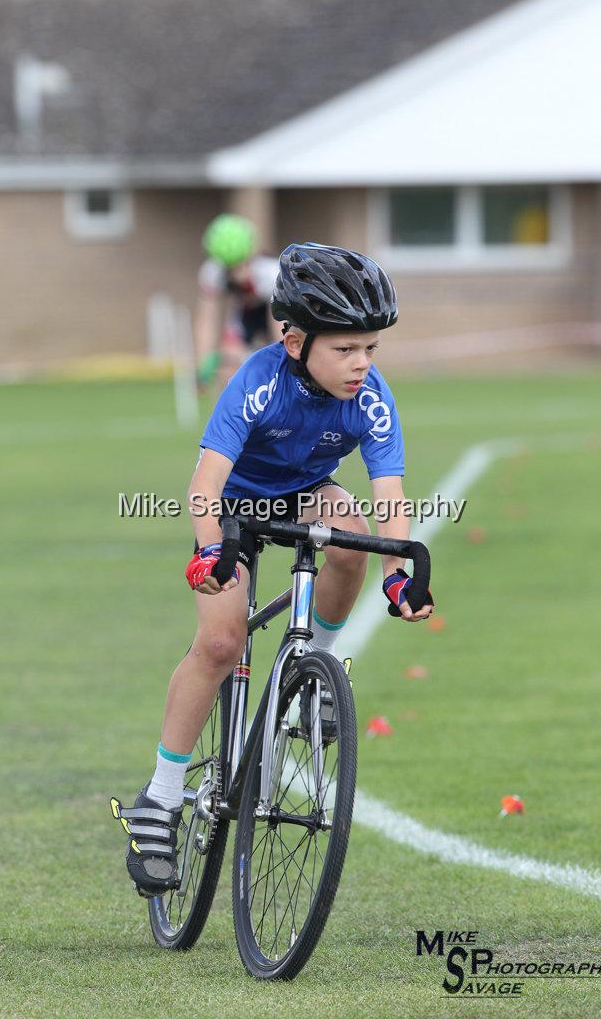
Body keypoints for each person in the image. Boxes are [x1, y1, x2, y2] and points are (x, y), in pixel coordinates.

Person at [112, 242, 434, 897]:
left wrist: (398, 572)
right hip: (231, 506)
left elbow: (388, 493)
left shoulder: (370, 397)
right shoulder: (257, 380)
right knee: (223, 639)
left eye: (369, 348)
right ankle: (160, 796)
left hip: (306, 490)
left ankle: (314, 671)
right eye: (345, 349)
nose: (361, 365)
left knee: (351, 534)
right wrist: (209, 550)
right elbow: (206, 481)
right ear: (292, 340)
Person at [194, 213, 281, 388]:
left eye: (241, 265)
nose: (236, 274)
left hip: (274, 313)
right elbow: (206, 321)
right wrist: (201, 365)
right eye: (230, 268)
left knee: (277, 363)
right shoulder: (213, 272)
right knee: (229, 363)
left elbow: (280, 328)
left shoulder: (270, 273)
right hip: (244, 312)